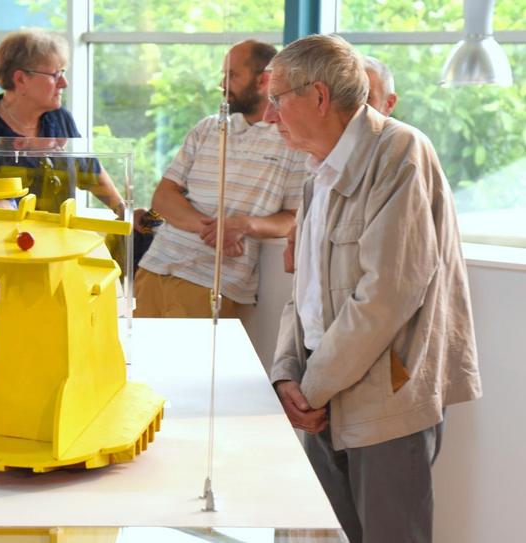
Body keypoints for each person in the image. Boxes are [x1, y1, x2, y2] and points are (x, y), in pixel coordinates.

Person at [264, 34, 482, 543]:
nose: (270, 116)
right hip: (322, 386)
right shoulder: (317, 167)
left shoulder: (400, 151)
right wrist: (285, 376)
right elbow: (307, 293)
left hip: (381, 396)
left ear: (318, 97)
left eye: (278, 99)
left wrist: (309, 390)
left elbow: (385, 296)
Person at [134, 39, 308, 318]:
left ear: (264, 80)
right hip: (153, 268)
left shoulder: (292, 140)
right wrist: (216, 231)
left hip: (211, 284)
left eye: (232, 75)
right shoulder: (207, 128)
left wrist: (244, 225)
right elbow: (163, 197)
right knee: (138, 363)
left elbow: (293, 218)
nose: (222, 84)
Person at [0, 28, 124, 217]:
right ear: (21, 79)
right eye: (55, 74)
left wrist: (123, 210)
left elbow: (91, 173)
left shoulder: (60, 119)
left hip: (58, 241)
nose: (64, 83)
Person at [282, 54, 397, 274]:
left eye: (367, 99)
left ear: (389, 103)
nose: (354, 111)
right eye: (347, 99)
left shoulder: (398, 157)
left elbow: (388, 284)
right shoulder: (319, 168)